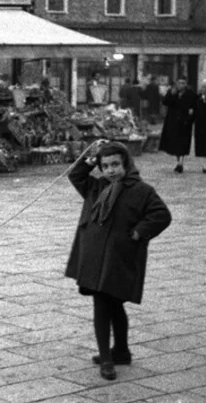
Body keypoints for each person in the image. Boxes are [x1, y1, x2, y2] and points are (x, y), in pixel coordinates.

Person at [65, 141, 172, 381]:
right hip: (94, 256)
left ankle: (110, 358)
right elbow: (76, 174)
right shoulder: (96, 186)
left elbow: (161, 215)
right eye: (105, 166)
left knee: (111, 303)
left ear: (126, 164)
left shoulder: (141, 190)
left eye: (115, 164)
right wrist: (90, 160)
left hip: (118, 257)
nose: (111, 170)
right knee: (105, 303)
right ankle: (116, 352)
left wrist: (138, 232)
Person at [159, 77, 196, 173]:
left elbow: (195, 106)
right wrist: (172, 94)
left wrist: (191, 116)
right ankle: (178, 162)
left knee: (183, 143)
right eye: (179, 83)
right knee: (176, 144)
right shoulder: (172, 92)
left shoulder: (190, 94)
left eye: (183, 83)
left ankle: (180, 163)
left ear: (186, 84)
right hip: (173, 122)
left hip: (185, 122)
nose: (181, 85)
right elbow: (165, 102)